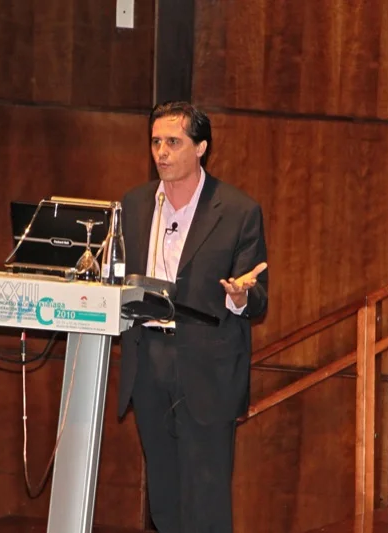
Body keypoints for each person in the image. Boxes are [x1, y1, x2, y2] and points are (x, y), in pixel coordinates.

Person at [117, 101, 269, 533]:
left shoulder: (238, 210)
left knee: (206, 498)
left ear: (201, 147)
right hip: (148, 359)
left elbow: (258, 296)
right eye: (155, 142)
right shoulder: (134, 203)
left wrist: (240, 295)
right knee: (164, 498)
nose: (161, 152)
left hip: (206, 367)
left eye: (173, 142)